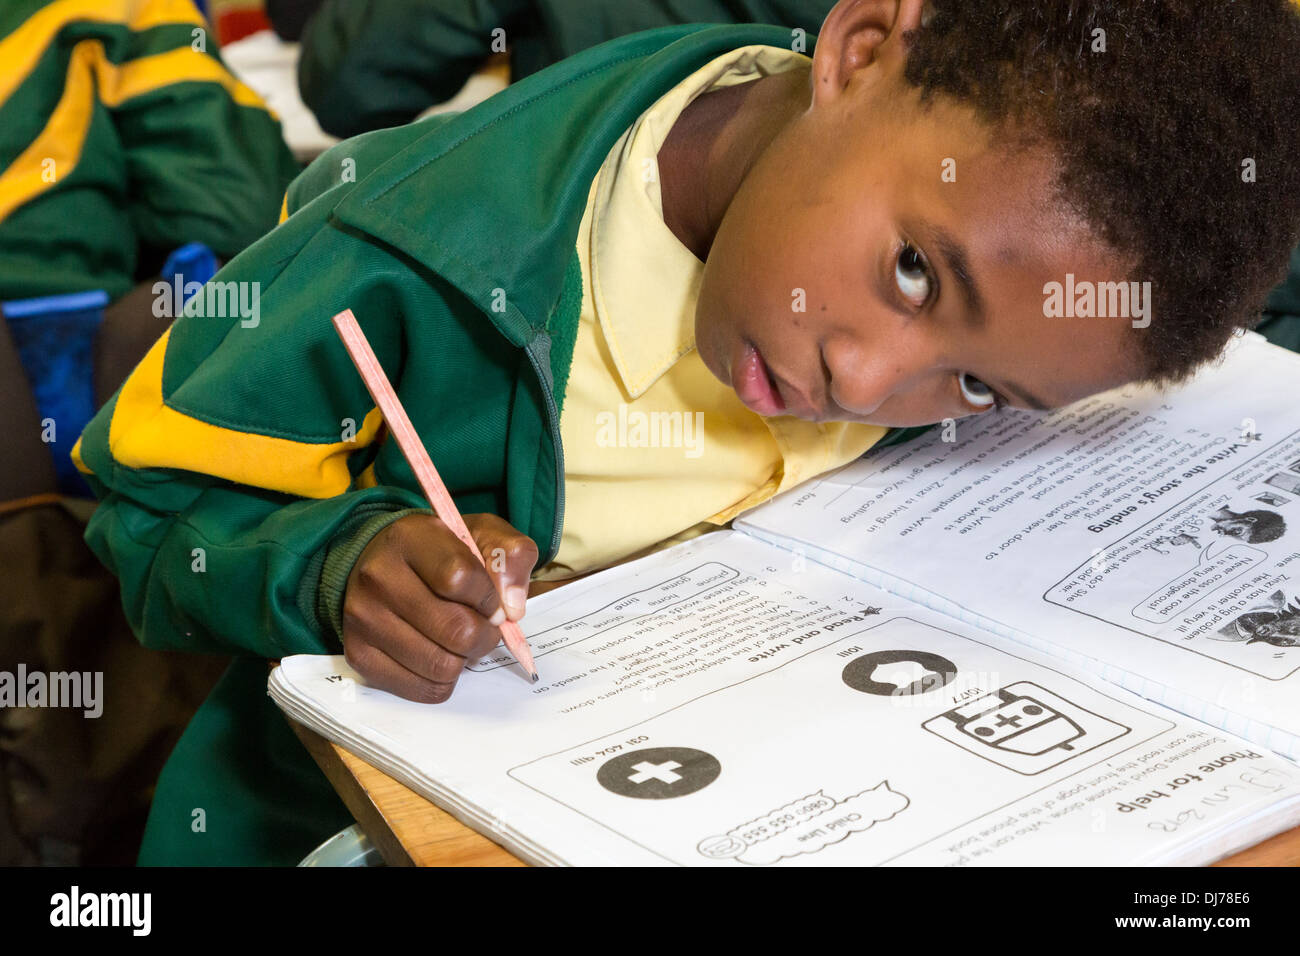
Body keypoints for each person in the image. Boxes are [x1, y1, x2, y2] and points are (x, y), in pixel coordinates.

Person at [74, 0, 1300, 865]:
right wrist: (339, 560)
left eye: (977, 390)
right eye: (916, 273)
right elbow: (147, 505)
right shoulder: (408, 254)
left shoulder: (939, 171)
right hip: (332, 826)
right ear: (859, 50)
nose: (864, 378)